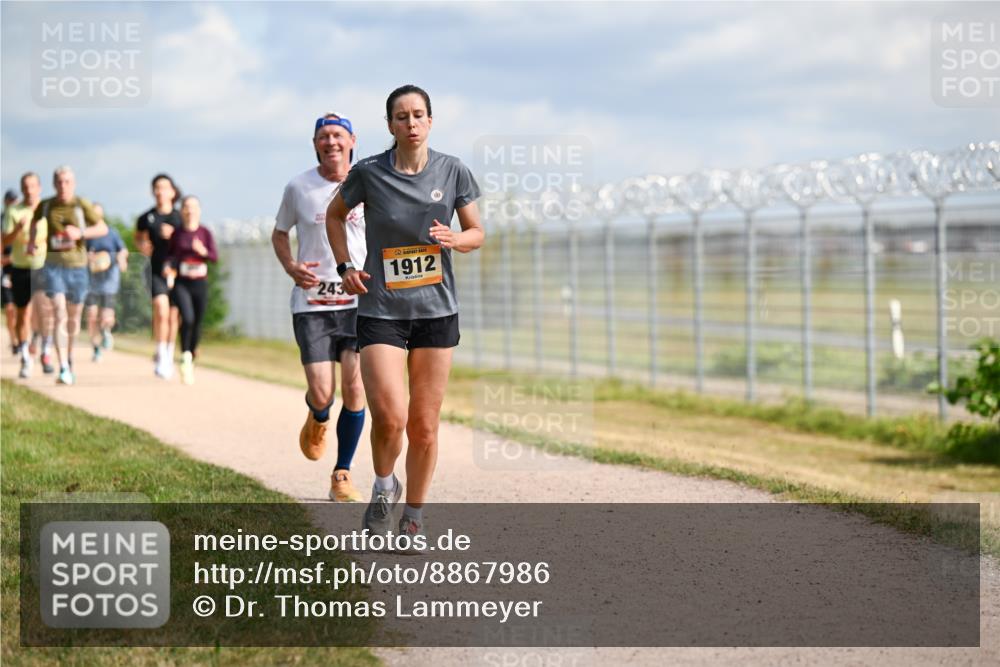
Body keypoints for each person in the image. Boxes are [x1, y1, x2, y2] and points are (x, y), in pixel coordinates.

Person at [326, 85, 484, 540]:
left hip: (437, 313)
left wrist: (457, 239)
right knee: (391, 417)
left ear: (430, 121)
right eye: (401, 117)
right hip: (381, 310)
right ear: (390, 125)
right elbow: (334, 216)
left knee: (425, 426)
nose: (410, 123)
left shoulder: (453, 170)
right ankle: (382, 487)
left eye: (418, 115)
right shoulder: (369, 172)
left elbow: (477, 232)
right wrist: (346, 266)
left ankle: (413, 515)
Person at [273, 112, 368, 503]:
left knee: (355, 387)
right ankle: (319, 416)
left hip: (358, 303)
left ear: (351, 141)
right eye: (324, 136)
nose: (331, 142)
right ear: (315, 144)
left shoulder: (368, 183)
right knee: (323, 391)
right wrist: (291, 266)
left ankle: (341, 474)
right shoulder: (299, 187)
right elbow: (280, 233)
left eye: (338, 135)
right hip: (312, 305)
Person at [28, 166, 108, 385]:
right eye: (59, 182)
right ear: (54, 184)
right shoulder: (46, 205)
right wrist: (31, 242)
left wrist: (79, 233)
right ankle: (62, 366)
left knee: (73, 319)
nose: (63, 186)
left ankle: (69, 357)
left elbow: (102, 228)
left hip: (78, 268)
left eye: (67, 182)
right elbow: (34, 222)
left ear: (73, 183)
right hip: (53, 267)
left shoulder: (81, 205)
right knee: (59, 313)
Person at [163, 195, 216, 385]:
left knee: (198, 322)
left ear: (199, 210)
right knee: (188, 317)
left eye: (193, 207)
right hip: (182, 283)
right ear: (182, 210)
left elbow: (214, 257)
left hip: (199, 283)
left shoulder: (205, 233)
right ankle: (185, 355)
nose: (190, 210)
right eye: (186, 206)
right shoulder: (177, 234)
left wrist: (202, 251)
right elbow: (170, 255)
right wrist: (168, 266)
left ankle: (192, 352)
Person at [135, 174, 182, 379]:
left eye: (164, 187)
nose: (160, 191)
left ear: (172, 192)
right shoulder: (147, 217)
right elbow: (138, 237)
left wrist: (174, 235)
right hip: (155, 270)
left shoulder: (180, 218)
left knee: (173, 316)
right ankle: (161, 355)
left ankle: (170, 355)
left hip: (178, 272)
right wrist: (142, 245)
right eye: (156, 187)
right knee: (161, 311)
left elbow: (188, 241)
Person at [0, 175, 44, 377]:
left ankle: (44, 348)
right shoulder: (13, 212)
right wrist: (18, 227)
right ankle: (25, 356)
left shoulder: (46, 209)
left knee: (44, 312)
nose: (29, 190)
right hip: (19, 267)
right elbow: (5, 240)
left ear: (39, 188)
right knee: (21, 313)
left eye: (33, 186)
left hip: (43, 266)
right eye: (25, 187)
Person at [85, 203, 128, 361]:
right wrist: (88, 258)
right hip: (92, 280)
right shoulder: (87, 235)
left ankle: (105, 331)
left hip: (109, 279)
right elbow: (82, 254)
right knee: (91, 315)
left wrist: (122, 260)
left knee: (106, 316)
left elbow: (123, 250)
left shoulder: (112, 233)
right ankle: (95, 348)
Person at [2, 189, 19, 353]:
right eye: (10, 201)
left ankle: (23, 339)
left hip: (23, 269)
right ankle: (14, 339)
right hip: (6, 272)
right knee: (9, 309)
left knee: (23, 309)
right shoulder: (1, 221)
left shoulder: (22, 221)